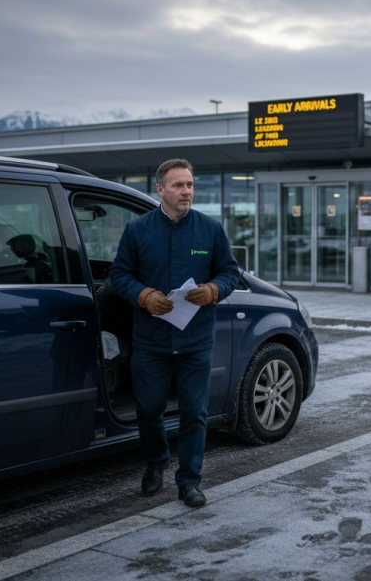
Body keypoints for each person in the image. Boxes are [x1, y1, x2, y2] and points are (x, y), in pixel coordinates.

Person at [108, 158, 239, 507]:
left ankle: (190, 481)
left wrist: (213, 289)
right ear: (160, 189)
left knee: (194, 412)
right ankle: (155, 462)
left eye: (190, 185)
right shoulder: (138, 230)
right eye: (179, 185)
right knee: (149, 408)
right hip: (151, 340)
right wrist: (144, 295)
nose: (186, 191)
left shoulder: (210, 229)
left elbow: (230, 272)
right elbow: (119, 275)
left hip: (195, 339)